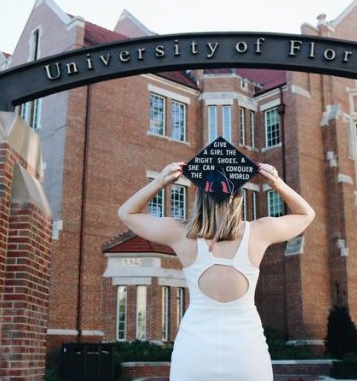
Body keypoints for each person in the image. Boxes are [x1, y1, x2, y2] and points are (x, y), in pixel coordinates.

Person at [118, 161, 315, 381]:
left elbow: (127, 213)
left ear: (200, 197)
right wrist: (276, 183)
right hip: (247, 353)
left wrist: (161, 180)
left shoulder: (181, 234)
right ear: (238, 197)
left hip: (193, 352)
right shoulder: (260, 232)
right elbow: (306, 214)